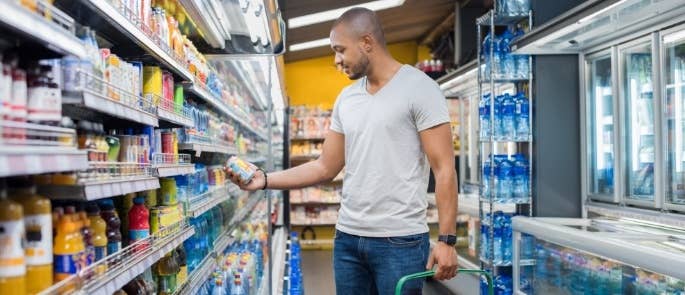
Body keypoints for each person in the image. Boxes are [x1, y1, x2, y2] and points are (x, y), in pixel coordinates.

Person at [226, 7, 458, 295]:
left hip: (400, 241)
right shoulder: (346, 99)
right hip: (348, 238)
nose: (336, 60)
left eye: (340, 50)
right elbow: (325, 166)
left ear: (367, 43)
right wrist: (265, 179)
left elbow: (445, 169)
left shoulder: (420, 88)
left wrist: (447, 240)